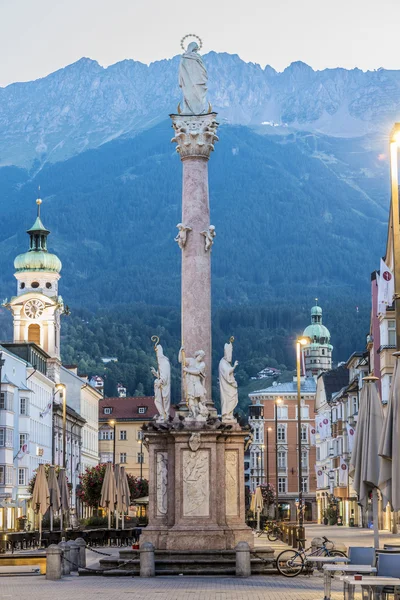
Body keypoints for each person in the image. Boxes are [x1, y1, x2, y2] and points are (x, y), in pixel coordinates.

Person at [179, 41, 208, 115]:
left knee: (189, 96)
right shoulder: (197, 57)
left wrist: (180, 81)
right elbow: (202, 71)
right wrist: (202, 79)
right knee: (197, 96)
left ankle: (188, 110)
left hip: (187, 83)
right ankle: (198, 110)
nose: (196, 51)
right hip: (197, 82)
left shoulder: (183, 58)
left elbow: (180, 72)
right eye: (195, 50)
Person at [219, 341, 239, 421]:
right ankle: (226, 413)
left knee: (233, 398)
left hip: (229, 385)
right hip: (226, 386)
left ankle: (229, 413)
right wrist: (234, 367)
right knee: (229, 398)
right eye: (229, 354)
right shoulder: (222, 363)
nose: (230, 356)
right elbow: (226, 372)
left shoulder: (227, 363)